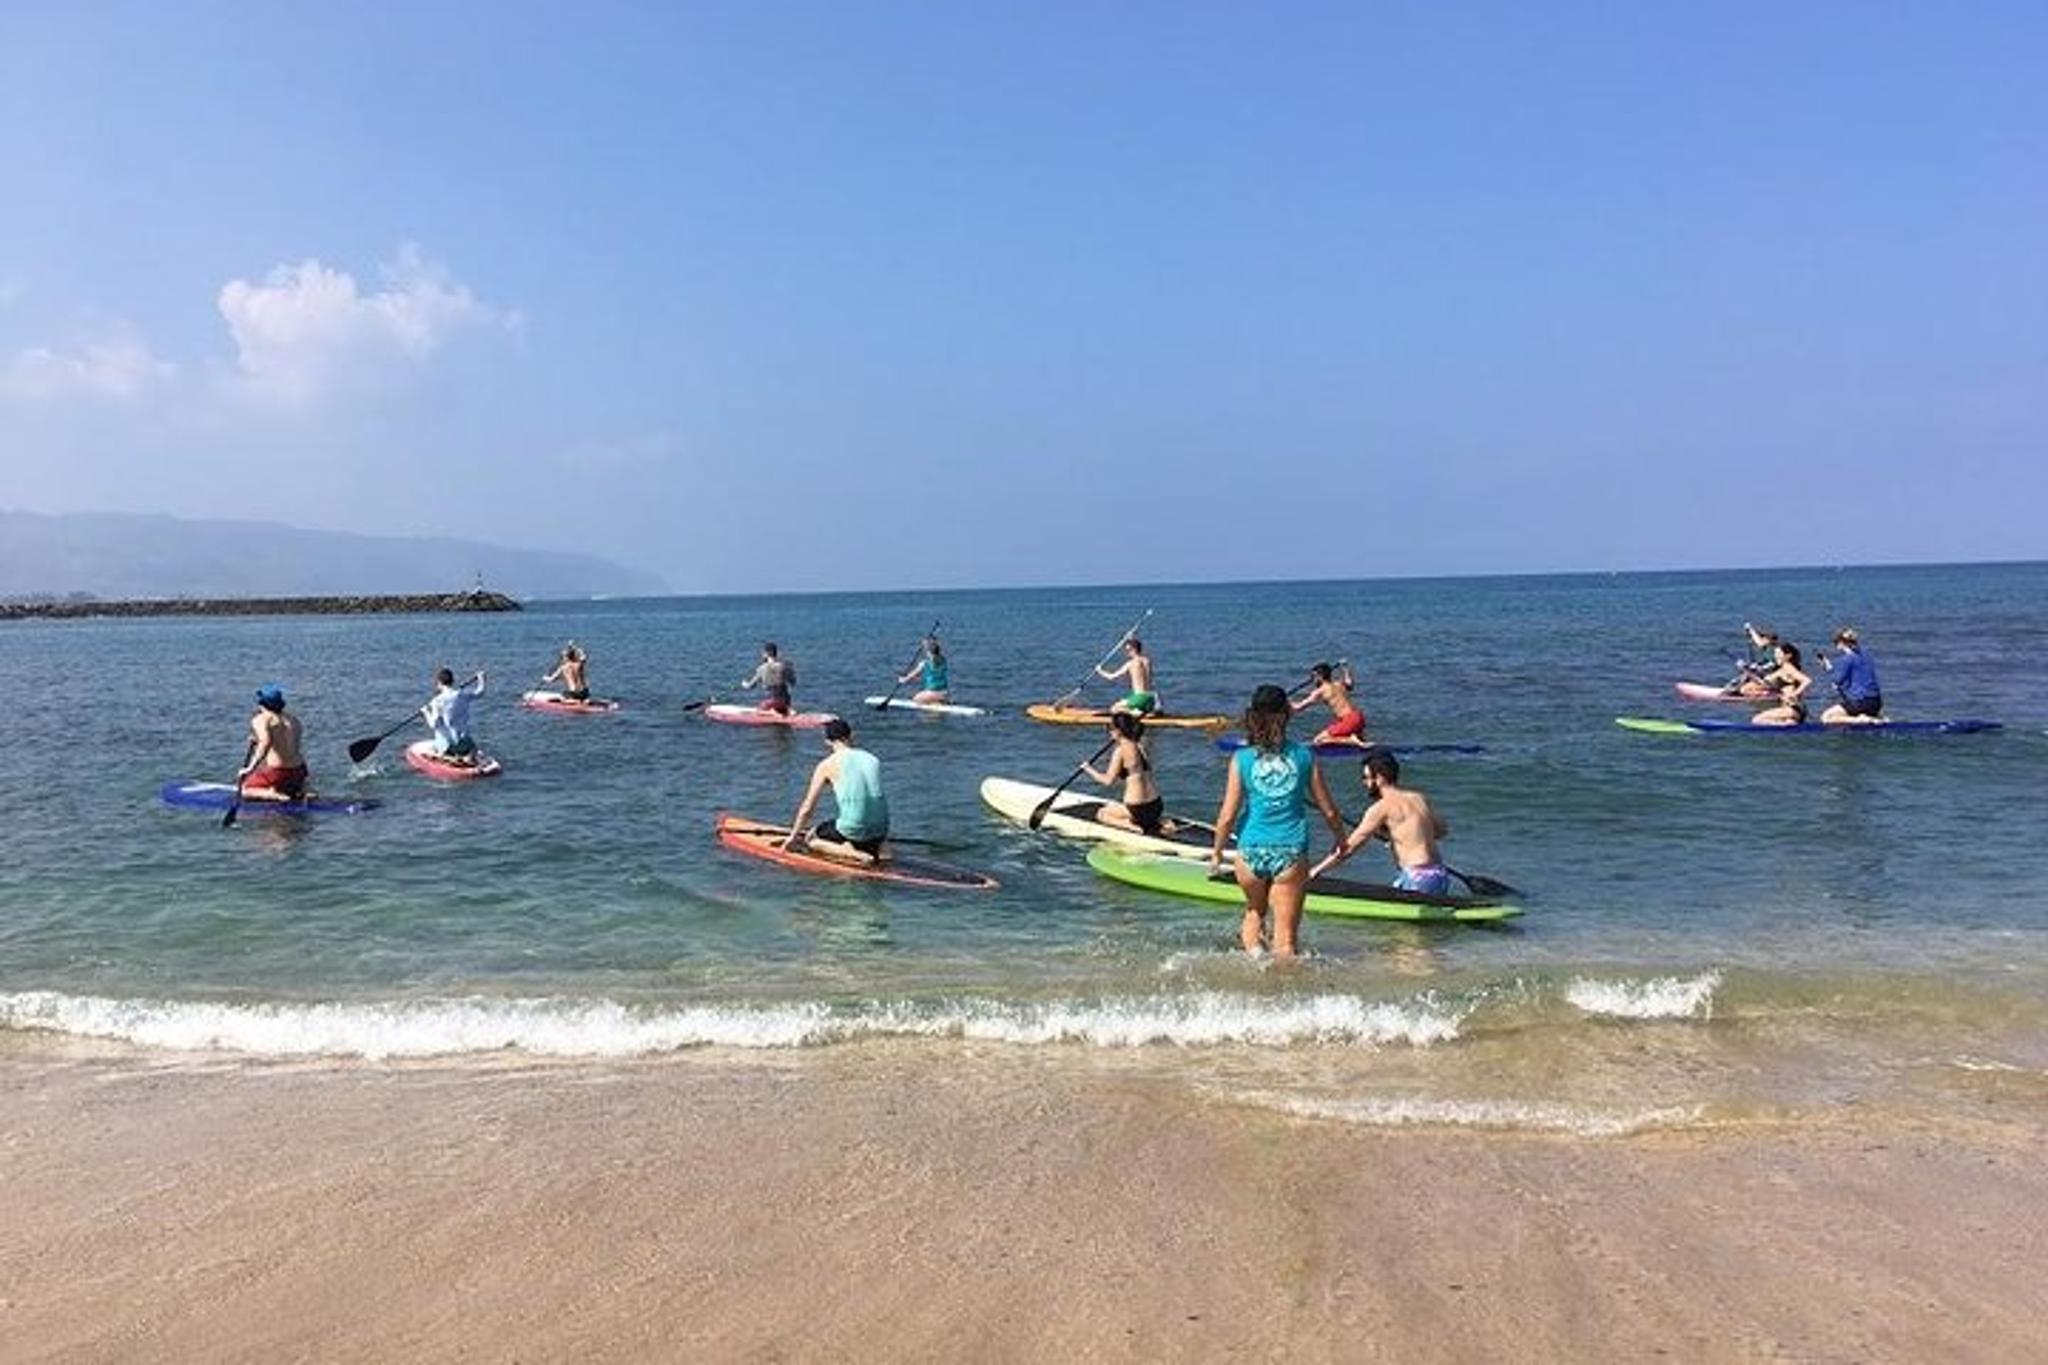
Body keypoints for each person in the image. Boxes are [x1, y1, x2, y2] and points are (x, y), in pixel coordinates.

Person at [1208, 684, 1348, 959]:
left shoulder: (1242, 758)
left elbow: (1227, 815)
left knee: (1254, 912)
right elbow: (1329, 810)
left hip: (1249, 852)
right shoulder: (1304, 755)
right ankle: (1280, 994)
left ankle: (1256, 960)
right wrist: (1340, 840)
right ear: (1287, 714)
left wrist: (1217, 852)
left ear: (1252, 716)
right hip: (1290, 852)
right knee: (1285, 942)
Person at [1310, 747, 1452, 894]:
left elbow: (1349, 848)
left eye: (1366, 777)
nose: (1364, 783)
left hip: (1417, 879)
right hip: (1440, 875)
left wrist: (1316, 870)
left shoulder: (1380, 808)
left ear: (1379, 778)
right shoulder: (1418, 798)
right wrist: (1399, 837)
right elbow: (1441, 831)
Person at [784, 718, 890, 862]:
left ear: (827, 741)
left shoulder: (827, 764)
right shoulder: (872, 759)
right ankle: (882, 849)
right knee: (866, 818)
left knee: (811, 838)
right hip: (882, 828)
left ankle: (853, 853)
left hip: (853, 828)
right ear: (851, 735)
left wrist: (792, 837)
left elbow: (807, 808)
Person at [1079, 712, 1166, 835]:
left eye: (1110, 729)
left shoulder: (1119, 752)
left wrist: (1088, 769)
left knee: (1102, 813)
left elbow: (1108, 781)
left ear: (1118, 731)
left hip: (1137, 809)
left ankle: (1133, 827)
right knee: (1113, 805)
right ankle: (1158, 822)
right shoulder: (1140, 746)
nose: (1109, 732)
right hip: (1156, 805)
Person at [235, 683, 310, 802]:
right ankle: (300, 789)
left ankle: (272, 793)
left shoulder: (261, 719)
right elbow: (285, 743)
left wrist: (249, 768)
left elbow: (265, 742)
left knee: (245, 789)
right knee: (289, 777)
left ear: (262, 703)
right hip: (300, 771)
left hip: (278, 772)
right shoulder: (293, 719)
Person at [1292, 661, 1367, 746]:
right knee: (1358, 739)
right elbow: (1350, 684)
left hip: (1349, 720)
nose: (1312, 680)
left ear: (1320, 677)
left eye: (1313, 676)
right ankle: (1356, 739)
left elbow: (1299, 707)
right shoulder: (1338, 684)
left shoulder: (1320, 691)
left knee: (1318, 740)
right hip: (1359, 717)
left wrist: (1283, 702)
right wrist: (1345, 669)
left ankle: (1351, 740)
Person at [1818, 627, 1884, 724]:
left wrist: (1828, 668)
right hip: (1876, 702)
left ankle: (1860, 720)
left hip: (1861, 702)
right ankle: (1876, 718)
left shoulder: (1847, 659)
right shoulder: (1866, 655)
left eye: (1835, 642)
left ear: (1841, 643)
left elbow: (1837, 681)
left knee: (1826, 717)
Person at [421, 667, 487, 764]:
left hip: (449, 746)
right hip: (464, 742)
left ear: (439, 683)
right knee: (464, 737)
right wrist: (481, 678)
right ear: (453, 681)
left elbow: (433, 725)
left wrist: (426, 712)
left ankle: (445, 755)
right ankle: (469, 754)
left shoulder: (437, 701)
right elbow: (480, 692)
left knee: (439, 728)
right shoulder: (463, 695)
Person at [1749, 642, 1812, 726]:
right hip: (1789, 709)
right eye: (1775, 653)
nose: (1776, 656)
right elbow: (1766, 682)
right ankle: (1789, 722)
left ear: (1788, 656)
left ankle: (1788, 724)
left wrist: (1794, 694)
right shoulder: (1781, 670)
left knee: (1756, 719)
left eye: (1779, 653)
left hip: (1793, 709)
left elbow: (1807, 680)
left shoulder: (1788, 667)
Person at [1096, 637, 1157, 716]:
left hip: (1139, 697)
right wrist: (1131, 639)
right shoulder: (1147, 661)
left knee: (1114, 708)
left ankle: (1134, 712)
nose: (1127, 653)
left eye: (1128, 650)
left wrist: (1099, 670)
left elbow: (1111, 677)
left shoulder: (1130, 664)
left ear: (1134, 649)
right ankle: (1145, 710)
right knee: (1131, 701)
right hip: (1150, 698)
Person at [743, 642, 797, 715]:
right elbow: (793, 682)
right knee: (782, 698)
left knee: (759, 710)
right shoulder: (785, 666)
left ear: (766, 654)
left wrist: (744, 684)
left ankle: (772, 712)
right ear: (776, 653)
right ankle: (786, 710)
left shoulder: (761, 669)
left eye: (763, 653)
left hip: (771, 702)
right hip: (785, 701)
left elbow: (750, 686)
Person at [899, 636, 950, 704]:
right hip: (945, 693)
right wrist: (926, 644)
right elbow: (935, 646)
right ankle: (938, 701)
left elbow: (910, 677)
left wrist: (902, 679)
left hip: (932, 693)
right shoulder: (943, 660)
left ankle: (935, 701)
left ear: (928, 652)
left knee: (915, 699)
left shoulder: (924, 664)